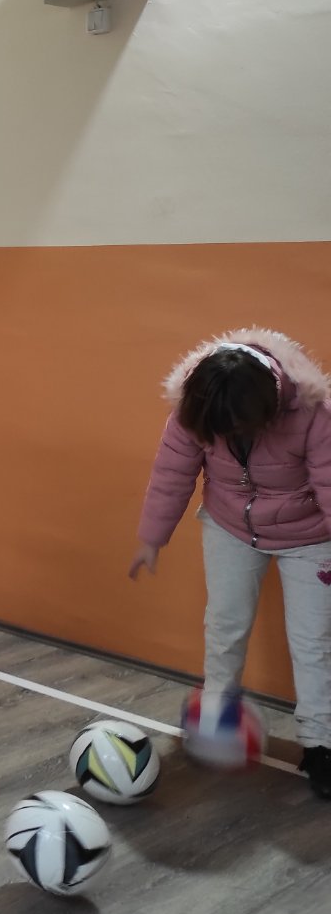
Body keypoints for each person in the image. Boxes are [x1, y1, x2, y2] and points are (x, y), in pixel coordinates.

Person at [131, 327, 331, 799]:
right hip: (230, 528)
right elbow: (172, 473)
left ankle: (321, 744)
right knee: (225, 625)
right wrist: (152, 539)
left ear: (266, 407)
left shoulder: (313, 412)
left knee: (313, 643)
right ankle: (214, 719)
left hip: (309, 538)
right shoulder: (195, 406)